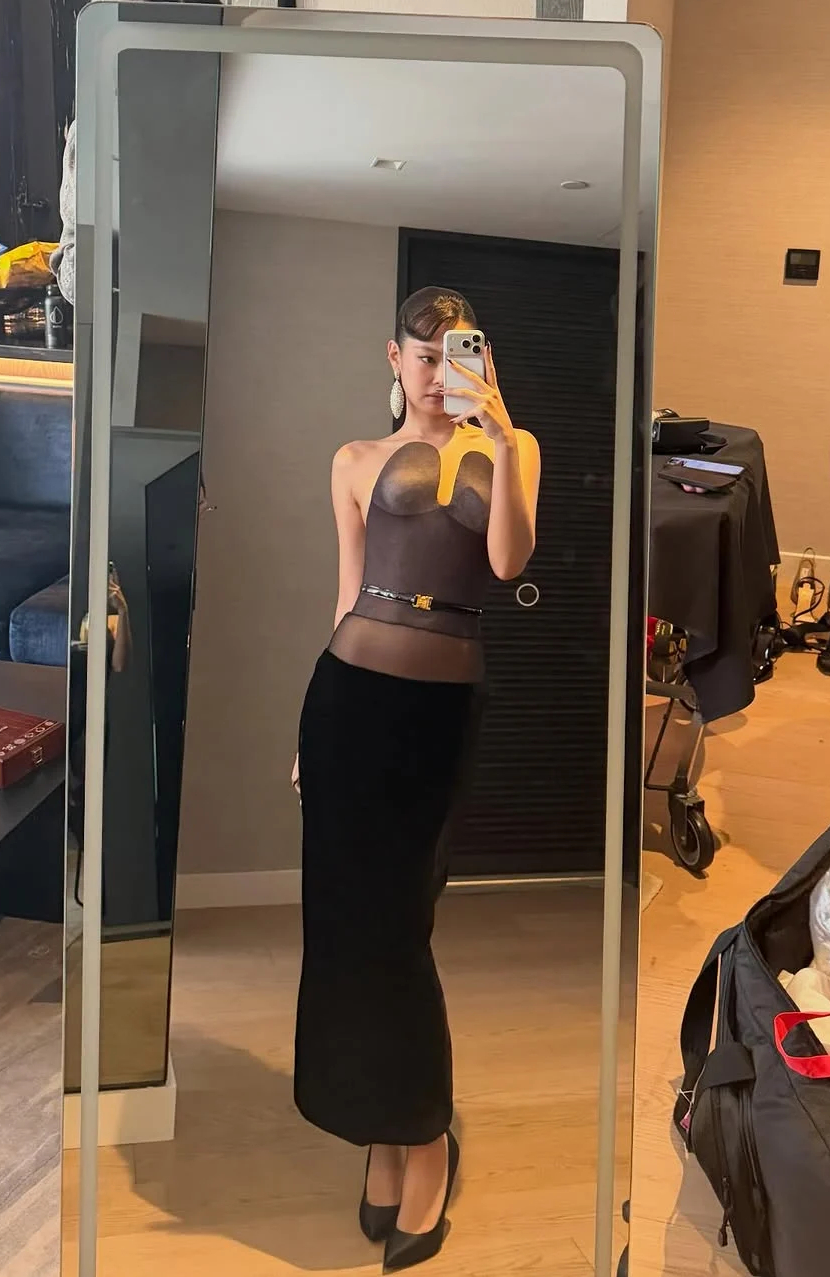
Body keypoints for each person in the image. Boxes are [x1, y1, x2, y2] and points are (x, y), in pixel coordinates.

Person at [293, 287, 541, 1272]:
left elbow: (508, 560)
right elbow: (348, 592)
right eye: (425, 355)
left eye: (458, 353)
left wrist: (504, 435)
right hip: (347, 701)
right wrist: (309, 736)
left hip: (440, 712)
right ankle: (380, 1131)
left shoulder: (512, 450)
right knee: (345, 927)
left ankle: (428, 1136)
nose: (440, 374)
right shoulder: (354, 459)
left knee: (402, 927)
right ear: (393, 359)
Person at [50, 0, 221, 306]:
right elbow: (71, 272)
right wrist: (118, 250)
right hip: (130, 332)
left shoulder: (241, 125)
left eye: (191, 60)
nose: (174, 78)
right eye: (161, 59)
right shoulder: (97, 131)